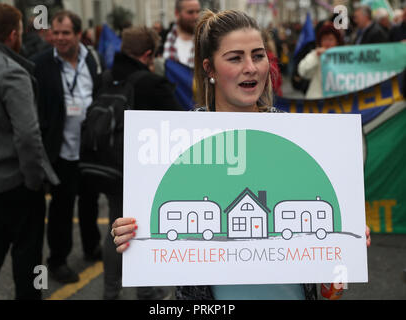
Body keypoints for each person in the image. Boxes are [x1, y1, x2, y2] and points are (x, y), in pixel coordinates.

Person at [111, 9, 373, 300]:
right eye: (235, 58)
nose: (251, 67)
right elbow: (161, 242)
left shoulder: (297, 138)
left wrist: (344, 245)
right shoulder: (180, 142)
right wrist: (134, 234)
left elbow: (330, 290)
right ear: (209, 69)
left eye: (258, 56)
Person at [102, 26, 182, 300]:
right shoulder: (151, 83)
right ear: (149, 54)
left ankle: (111, 291)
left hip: (109, 166)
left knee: (117, 227)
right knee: (142, 228)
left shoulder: (106, 77)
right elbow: (179, 122)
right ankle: (147, 291)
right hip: (144, 171)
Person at [0, 4, 49, 300]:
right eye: (20, 31)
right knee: (27, 254)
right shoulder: (12, 73)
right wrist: (35, 180)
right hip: (13, 181)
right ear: (12, 35)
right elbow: (28, 135)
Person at [32, 10, 103, 284]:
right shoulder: (39, 64)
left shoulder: (92, 59)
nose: (59, 38)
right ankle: (58, 260)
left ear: (78, 35)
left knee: (91, 201)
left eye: (65, 33)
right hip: (60, 149)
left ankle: (91, 246)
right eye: (56, 33)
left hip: (89, 147)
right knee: (62, 207)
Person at [298, 22, 344, 99]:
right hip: (317, 100)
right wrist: (316, 56)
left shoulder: (344, 57)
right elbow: (302, 71)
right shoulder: (315, 55)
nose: (327, 43)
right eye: (324, 39)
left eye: (331, 39)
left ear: (337, 42)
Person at [163, 0, 201, 68]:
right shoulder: (162, 40)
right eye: (190, 12)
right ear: (177, 13)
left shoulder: (206, 40)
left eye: (198, 12)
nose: (196, 16)